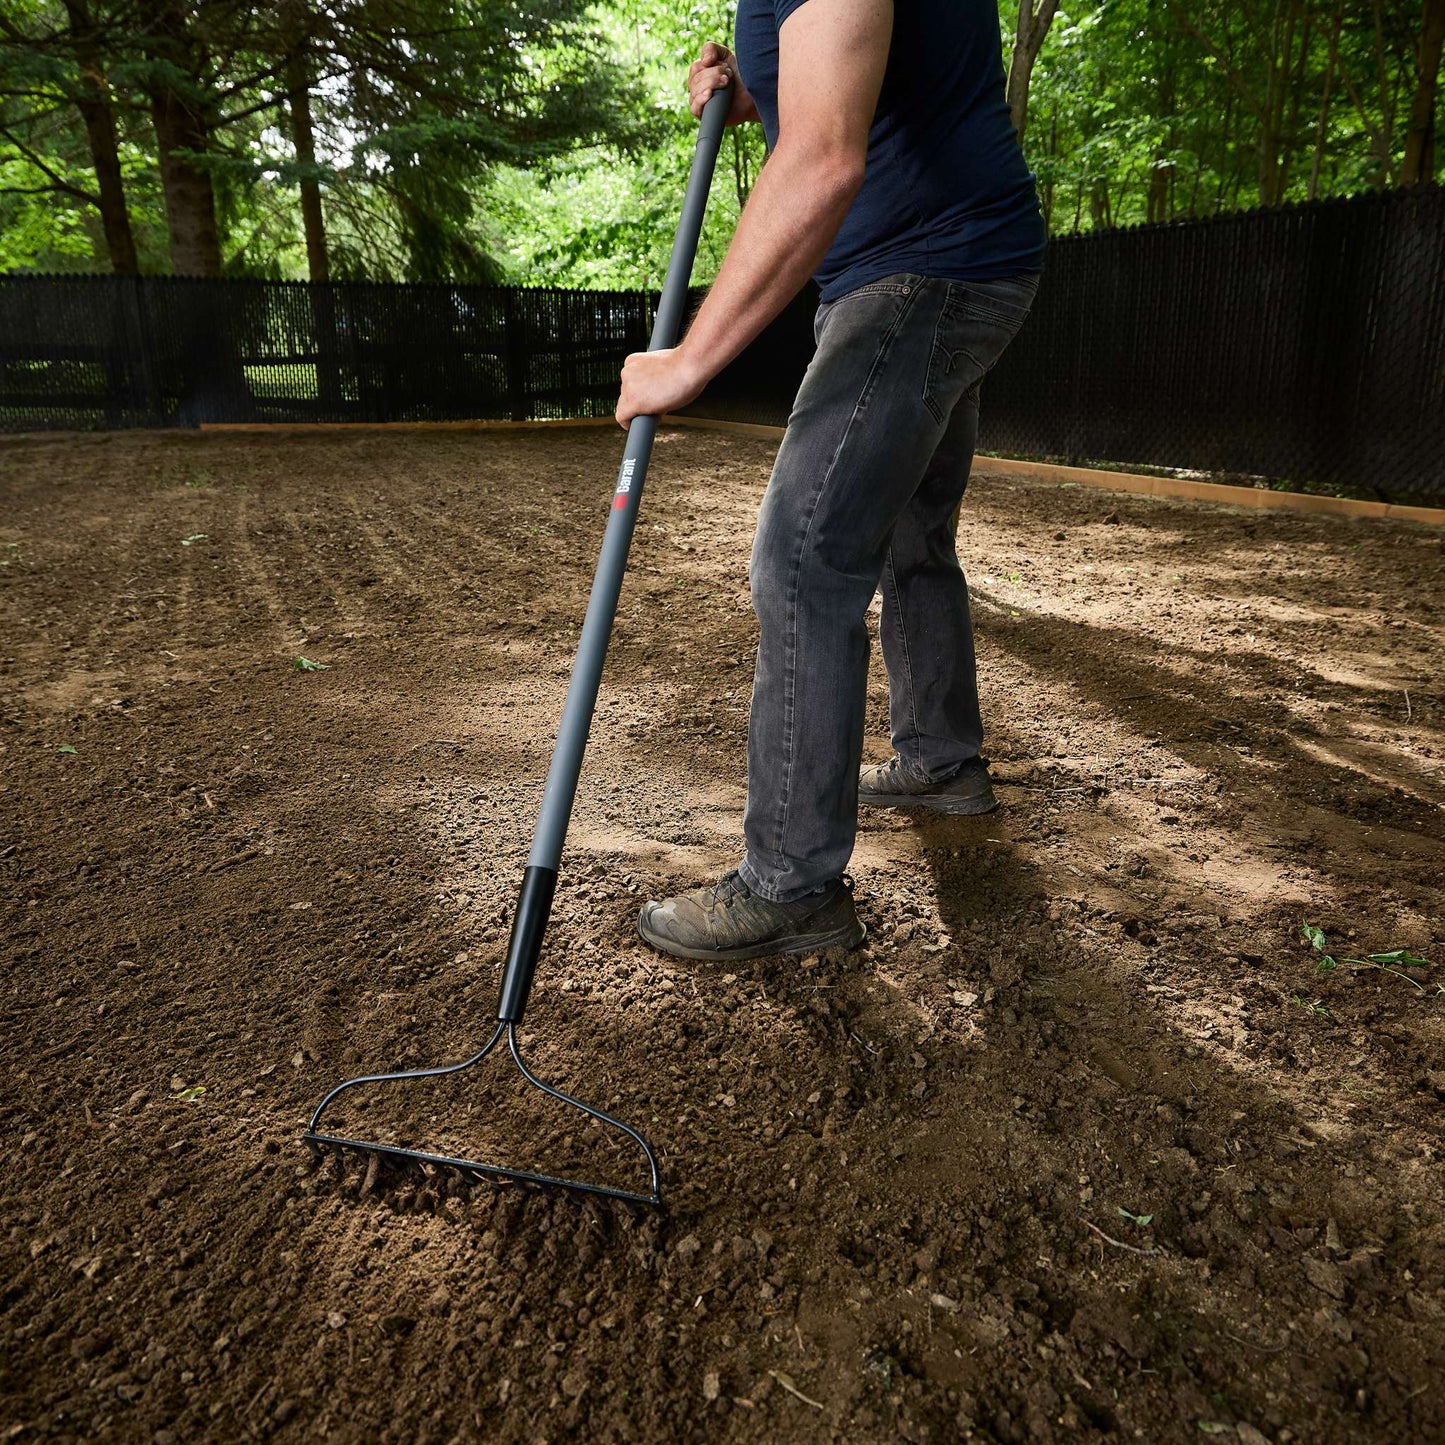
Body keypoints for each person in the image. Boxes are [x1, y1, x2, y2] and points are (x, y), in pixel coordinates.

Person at [615, 0, 1045, 962]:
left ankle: (790, 881)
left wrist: (687, 361)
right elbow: (860, 90)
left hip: (922, 272)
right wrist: (750, 95)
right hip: (957, 256)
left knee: (806, 561)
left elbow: (822, 159)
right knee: (906, 529)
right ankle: (940, 759)